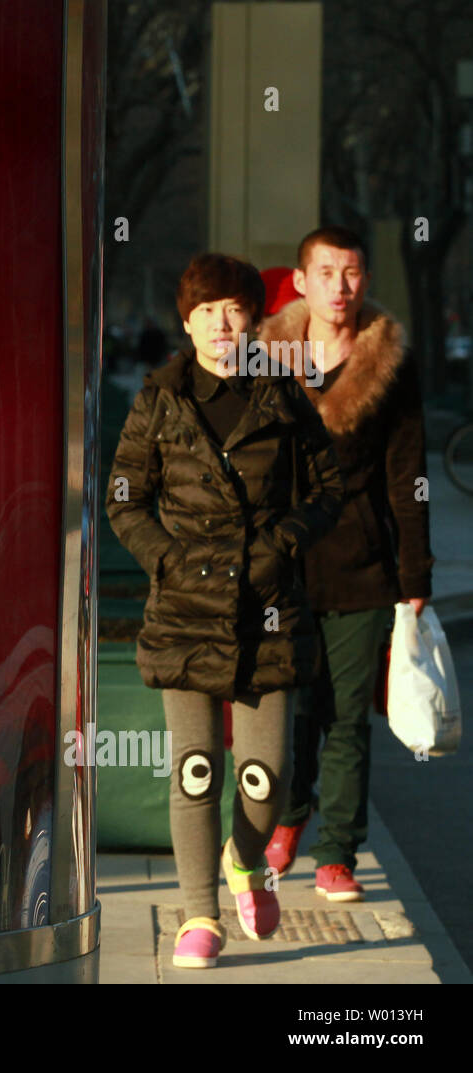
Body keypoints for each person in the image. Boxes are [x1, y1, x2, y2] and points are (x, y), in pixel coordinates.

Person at [106, 253, 343, 968]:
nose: (222, 323)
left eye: (236, 308)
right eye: (207, 310)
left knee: (267, 775)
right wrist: (167, 559)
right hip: (185, 612)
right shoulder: (160, 398)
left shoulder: (281, 395)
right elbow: (124, 496)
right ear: (187, 322)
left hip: (269, 612)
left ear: (254, 319)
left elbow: (327, 488)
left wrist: (286, 541)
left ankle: (246, 859)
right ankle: (199, 914)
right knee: (197, 767)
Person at [260, 226, 434, 901]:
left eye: (353, 272)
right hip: (284, 563)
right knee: (293, 706)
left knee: (347, 718)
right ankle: (291, 814)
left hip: (362, 566)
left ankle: (337, 851)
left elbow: (408, 474)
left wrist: (415, 574)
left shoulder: (389, 362)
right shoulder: (267, 359)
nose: (341, 286)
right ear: (301, 282)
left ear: (366, 279)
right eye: (327, 271)